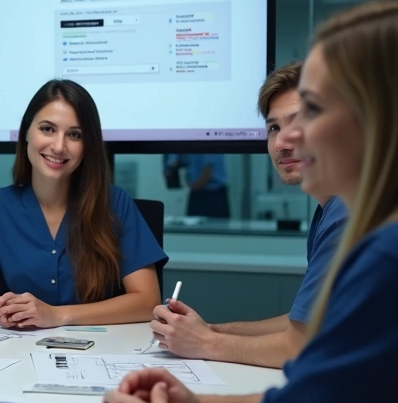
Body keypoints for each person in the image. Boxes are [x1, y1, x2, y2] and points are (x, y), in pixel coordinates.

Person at [104, 0, 398, 403]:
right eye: (275, 126)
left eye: (314, 110)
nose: (287, 139)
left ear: (384, 115)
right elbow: (330, 401)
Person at [149, 61, 348, 368]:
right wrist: (213, 330)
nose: (281, 142)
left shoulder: (349, 213)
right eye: (274, 128)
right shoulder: (330, 210)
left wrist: (205, 342)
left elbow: (299, 345)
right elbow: (304, 321)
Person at [0, 79, 166, 328]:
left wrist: (57, 315)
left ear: (87, 145)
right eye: (47, 129)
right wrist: (12, 313)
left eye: (74, 135)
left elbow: (147, 301)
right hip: (18, 348)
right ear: (26, 132)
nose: (58, 146)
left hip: (101, 351)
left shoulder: (115, 203)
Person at [167, 154, 231, 218]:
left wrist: (191, 187)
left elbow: (207, 172)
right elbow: (175, 163)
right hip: (197, 193)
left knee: (216, 225)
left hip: (213, 195)